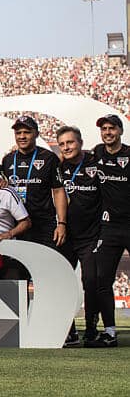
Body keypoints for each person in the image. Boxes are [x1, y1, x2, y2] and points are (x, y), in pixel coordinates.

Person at [55, 125, 101, 347]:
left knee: (91, 282)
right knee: (62, 282)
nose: (66, 147)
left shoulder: (95, 162)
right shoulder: (57, 168)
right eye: (62, 144)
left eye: (70, 142)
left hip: (91, 235)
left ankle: (92, 329)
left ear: (81, 142)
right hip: (65, 235)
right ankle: (68, 330)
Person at [0, 116, 67, 251]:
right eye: (18, 133)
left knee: (44, 268)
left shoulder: (48, 158)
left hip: (44, 224)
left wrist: (61, 223)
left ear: (36, 134)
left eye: (27, 132)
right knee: (20, 269)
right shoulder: (8, 160)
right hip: (17, 225)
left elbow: (59, 191)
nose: (22, 136)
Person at [92, 114, 130, 348]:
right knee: (102, 280)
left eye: (112, 128)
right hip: (109, 228)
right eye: (104, 129)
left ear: (120, 131)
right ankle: (109, 332)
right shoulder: (97, 153)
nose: (107, 132)